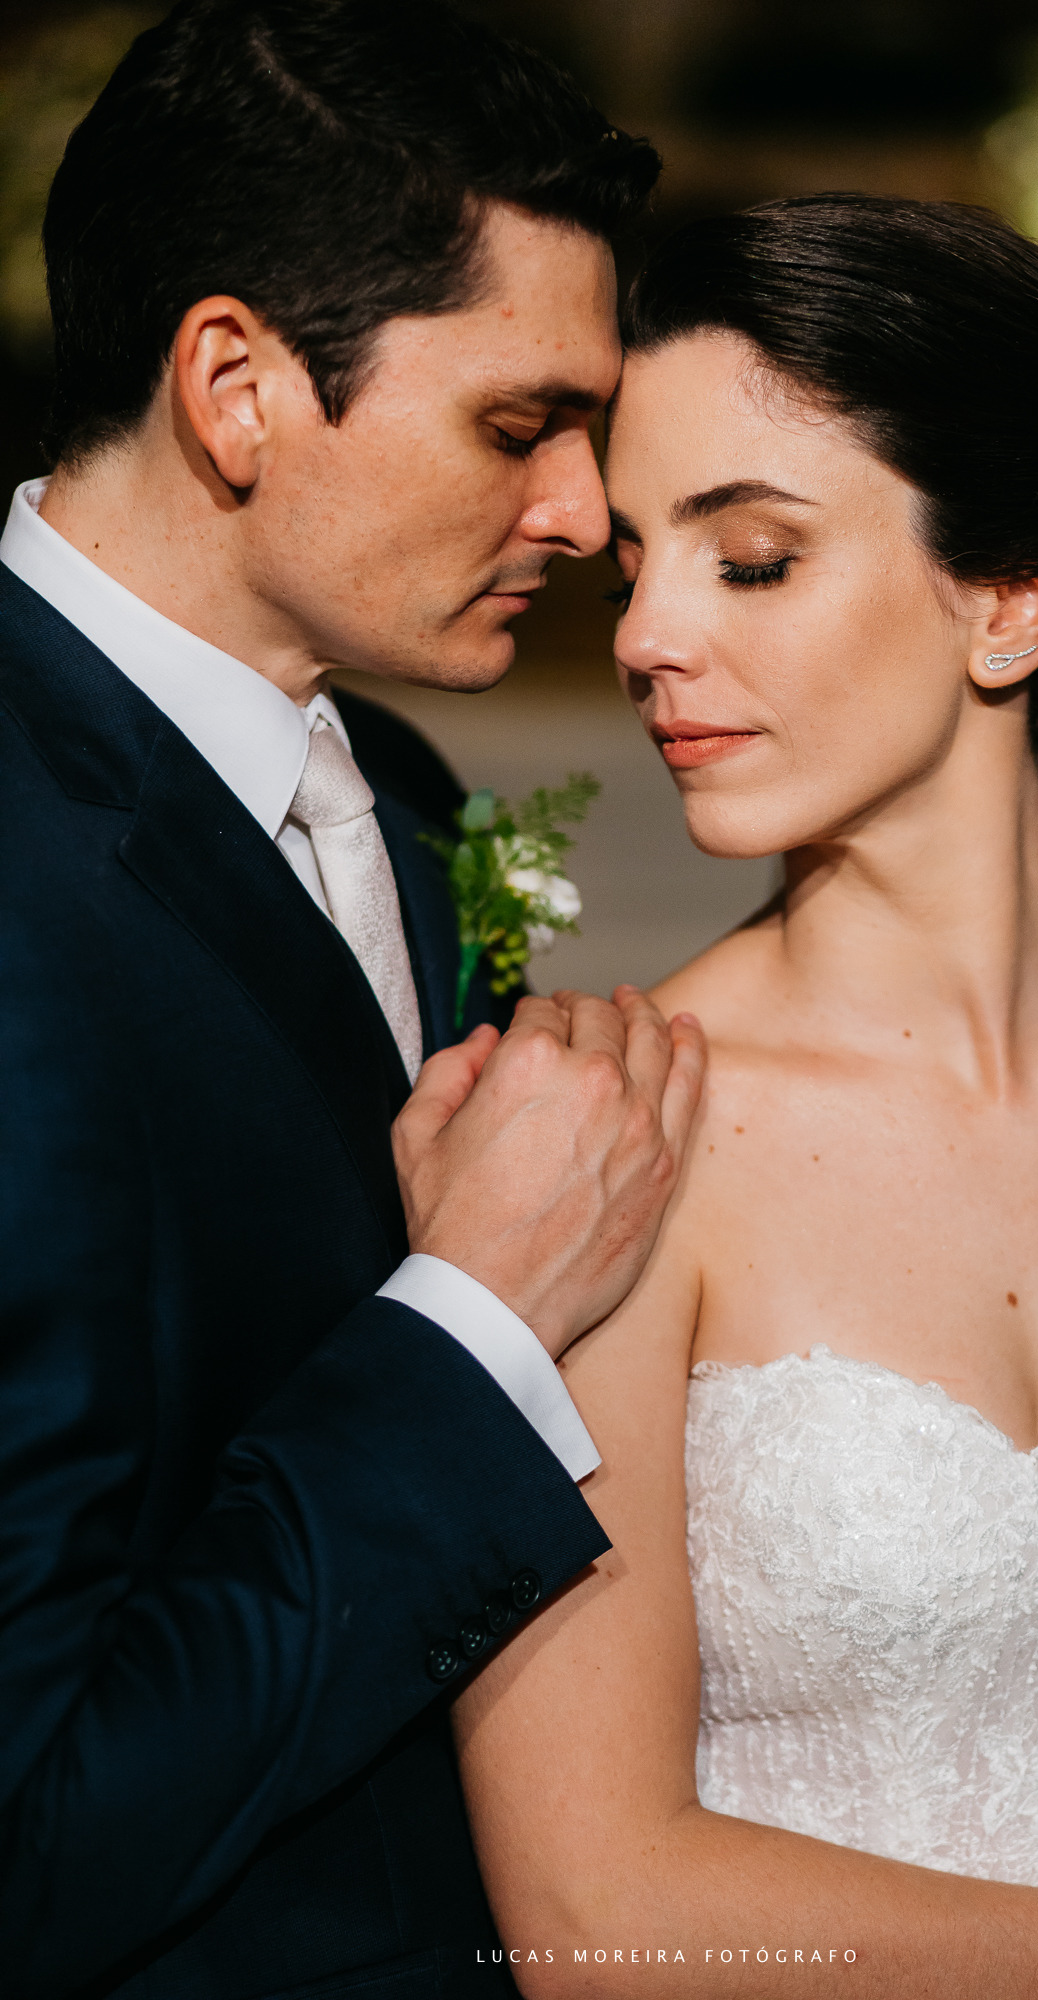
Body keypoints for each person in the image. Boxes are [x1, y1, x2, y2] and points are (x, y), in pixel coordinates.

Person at [452, 197, 1038, 1998]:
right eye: (633, 568)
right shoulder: (614, 1132)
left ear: (1008, 600)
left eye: (749, 559)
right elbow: (592, 1918)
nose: (646, 639)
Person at [0, 5, 707, 1997]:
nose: (581, 512)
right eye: (516, 425)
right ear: (234, 387)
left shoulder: (395, 786)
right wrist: (474, 1316)